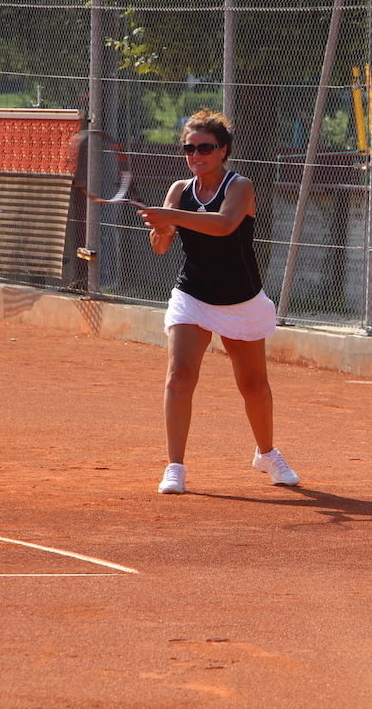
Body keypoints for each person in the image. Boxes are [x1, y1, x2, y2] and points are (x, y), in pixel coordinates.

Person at [138, 109, 299, 495]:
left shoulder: (240, 186)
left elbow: (225, 225)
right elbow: (160, 247)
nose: (196, 155)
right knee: (179, 376)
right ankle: (175, 467)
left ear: (223, 149)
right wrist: (162, 228)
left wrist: (172, 215)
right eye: (189, 149)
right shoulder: (179, 191)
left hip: (241, 299)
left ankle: (267, 454)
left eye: (205, 148)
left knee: (254, 386)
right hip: (193, 294)